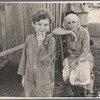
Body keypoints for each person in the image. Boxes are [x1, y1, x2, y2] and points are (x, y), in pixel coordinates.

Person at [53, 13, 94, 97]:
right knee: (67, 69)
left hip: (84, 56)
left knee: (84, 68)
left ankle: (88, 90)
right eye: (69, 23)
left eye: (73, 22)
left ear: (78, 23)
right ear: (66, 24)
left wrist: (76, 61)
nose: (71, 25)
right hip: (70, 56)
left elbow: (85, 50)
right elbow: (54, 31)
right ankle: (68, 88)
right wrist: (70, 32)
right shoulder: (66, 31)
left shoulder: (84, 32)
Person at [17, 9, 55, 97]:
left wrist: (40, 44)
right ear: (34, 24)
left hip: (44, 77)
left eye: (46, 25)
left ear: (49, 26)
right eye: (39, 24)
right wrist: (23, 76)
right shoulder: (29, 39)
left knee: (44, 96)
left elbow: (48, 59)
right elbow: (24, 58)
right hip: (29, 76)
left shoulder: (51, 40)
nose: (42, 28)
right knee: (30, 95)